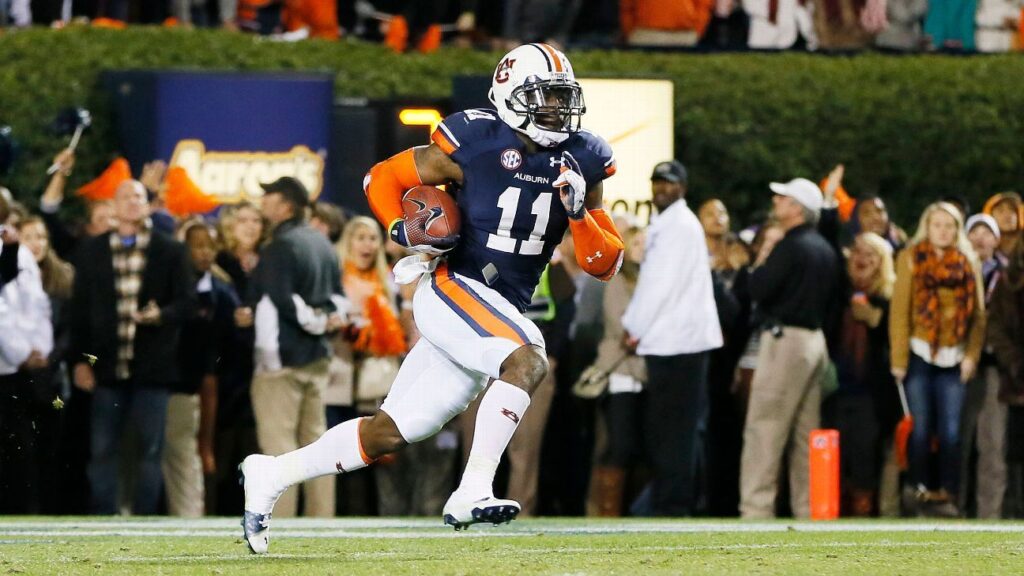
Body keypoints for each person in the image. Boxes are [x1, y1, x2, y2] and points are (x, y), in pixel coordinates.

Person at [240, 43, 622, 552]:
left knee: (391, 432)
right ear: (511, 96)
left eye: (562, 97)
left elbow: (605, 264)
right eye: (545, 97)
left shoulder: (585, 156)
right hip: (451, 287)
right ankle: (472, 490)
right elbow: (382, 178)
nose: (557, 109)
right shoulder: (474, 139)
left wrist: (578, 212)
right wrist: (401, 227)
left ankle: (272, 474)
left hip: (497, 308)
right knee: (527, 360)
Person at [71, 180, 197, 515]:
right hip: (106, 368)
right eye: (125, 197)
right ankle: (103, 518)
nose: (131, 203)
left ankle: (144, 521)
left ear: (147, 205)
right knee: (102, 450)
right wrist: (79, 361)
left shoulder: (170, 250)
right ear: (113, 206)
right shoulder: (91, 251)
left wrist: (161, 315)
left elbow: (187, 303)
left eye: (138, 197)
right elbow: (79, 312)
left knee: (149, 451)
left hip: (152, 368)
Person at [621, 160, 723, 517]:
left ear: (683, 188)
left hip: (677, 343)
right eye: (657, 183)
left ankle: (673, 504)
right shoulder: (674, 224)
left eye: (669, 183)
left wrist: (633, 326)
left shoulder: (678, 226)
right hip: (678, 340)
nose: (662, 189)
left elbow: (658, 287)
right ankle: (675, 501)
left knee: (672, 432)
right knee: (677, 429)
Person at [739, 177, 839, 519]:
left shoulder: (790, 246)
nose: (776, 201)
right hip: (815, 342)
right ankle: (810, 511)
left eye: (783, 198)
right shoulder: (824, 248)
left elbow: (758, 288)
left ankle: (756, 509)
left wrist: (761, 261)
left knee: (765, 428)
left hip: (785, 344)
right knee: (804, 433)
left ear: (798, 208)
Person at [245, 176, 345, 520]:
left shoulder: (280, 246)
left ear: (286, 204)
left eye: (268, 196)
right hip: (316, 359)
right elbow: (339, 302)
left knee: (279, 448)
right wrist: (324, 322)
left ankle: (281, 522)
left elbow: (283, 301)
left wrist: (313, 322)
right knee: (315, 444)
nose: (263, 203)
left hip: (280, 362)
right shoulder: (322, 242)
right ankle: (322, 519)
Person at [890, 202, 985, 517]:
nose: (943, 231)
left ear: (957, 230)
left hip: (954, 355)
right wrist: (899, 359)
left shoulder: (968, 262)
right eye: (937, 225)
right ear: (926, 228)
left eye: (949, 225)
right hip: (919, 352)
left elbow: (978, 318)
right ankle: (917, 491)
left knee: (952, 432)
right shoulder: (911, 259)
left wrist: (971, 356)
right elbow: (900, 312)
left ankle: (947, 495)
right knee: (920, 429)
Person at [163, 219, 239, 517]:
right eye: (198, 246)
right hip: (158, 381)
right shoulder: (168, 283)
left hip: (196, 385)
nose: (205, 253)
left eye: (210, 246)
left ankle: (191, 515)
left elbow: (227, 347)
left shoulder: (221, 291)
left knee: (190, 452)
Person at [824, 232, 897, 516]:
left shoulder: (889, 298)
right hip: (836, 389)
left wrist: (872, 318)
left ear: (882, 262)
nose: (862, 258)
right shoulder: (839, 294)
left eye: (871, 254)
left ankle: (864, 511)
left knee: (865, 454)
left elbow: (892, 339)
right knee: (837, 456)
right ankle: (835, 510)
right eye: (857, 251)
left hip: (871, 393)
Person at [583, 223, 647, 516]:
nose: (642, 250)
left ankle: (629, 511)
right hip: (621, 370)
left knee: (637, 448)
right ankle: (605, 510)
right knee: (618, 445)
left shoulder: (656, 280)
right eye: (637, 244)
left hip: (647, 374)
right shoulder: (617, 280)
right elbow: (623, 328)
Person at [0, 192, 53, 514]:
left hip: (14, 369)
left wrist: (34, 351)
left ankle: (23, 512)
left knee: (19, 448)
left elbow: (32, 306)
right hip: (14, 363)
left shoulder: (18, 255)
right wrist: (25, 351)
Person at [960, 213, 1008, 518]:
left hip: (994, 367)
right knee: (958, 443)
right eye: (973, 231)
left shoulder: (1008, 276)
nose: (979, 237)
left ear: (997, 239)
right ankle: (955, 509)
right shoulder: (954, 271)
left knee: (992, 444)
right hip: (957, 365)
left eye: (986, 232)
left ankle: (990, 514)